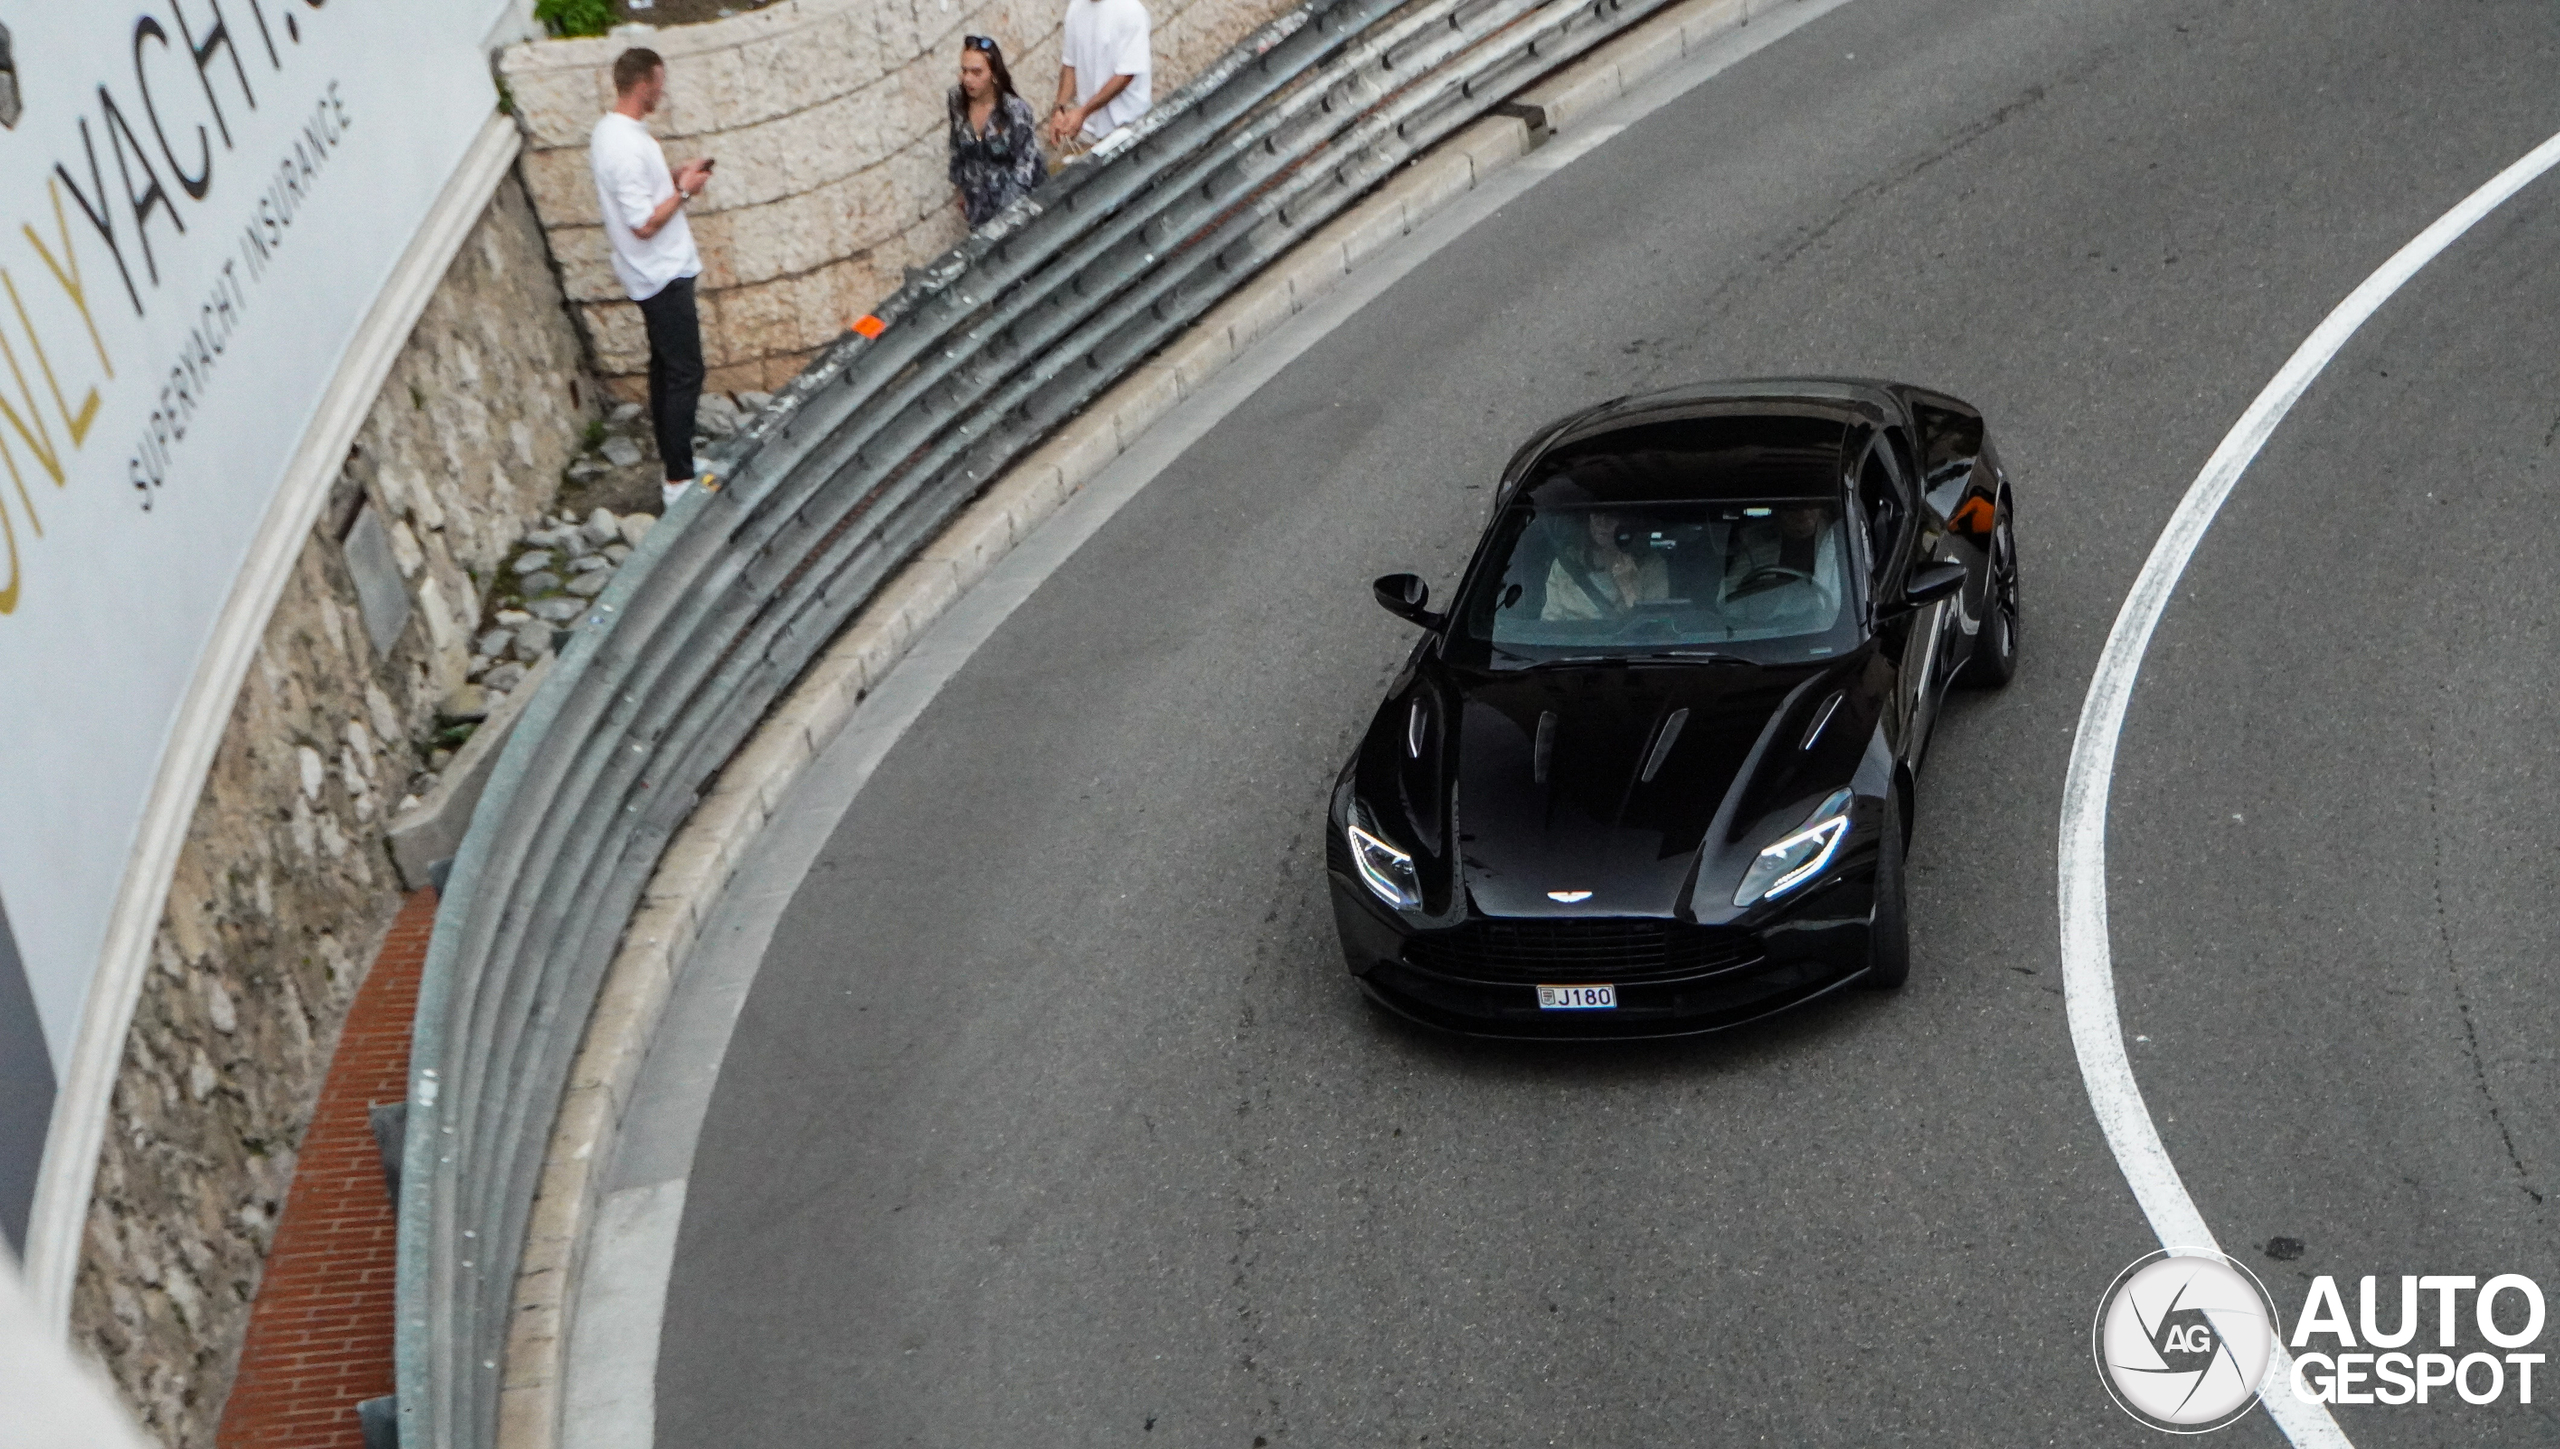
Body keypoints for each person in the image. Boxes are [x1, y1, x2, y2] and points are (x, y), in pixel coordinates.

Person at [590, 47, 714, 511]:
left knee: (666, 371)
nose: (663, 90)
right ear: (644, 84)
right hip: (659, 273)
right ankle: (679, 479)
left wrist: (672, 178)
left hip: (655, 271)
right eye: (660, 83)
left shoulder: (613, 133)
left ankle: (676, 464)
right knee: (685, 372)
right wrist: (684, 191)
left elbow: (642, 193)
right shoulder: (622, 146)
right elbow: (642, 222)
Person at [948, 36, 1043, 227]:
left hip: (1015, 211)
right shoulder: (956, 100)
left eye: (976, 72)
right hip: (978, 210)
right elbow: (956, 146)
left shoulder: (1014, 111)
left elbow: (1025, 166)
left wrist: (1004, 217)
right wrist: (959, 188)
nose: (967, 79)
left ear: (993, 74)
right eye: (964, 71)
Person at [1045, 0, 1152, 165]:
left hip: (1130, 129)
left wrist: (1083, 112)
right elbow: (1069, 65)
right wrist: (1059, 109)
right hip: (1092, 134)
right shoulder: (1076, 7)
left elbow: (1125, 76)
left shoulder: (1130, 10)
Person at [1542, 510, 1669, 620]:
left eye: (1612, 514)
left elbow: (1654, 627)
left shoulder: (1651, 566)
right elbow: (1550, 623)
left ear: (1628, 520)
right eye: (1596, 514)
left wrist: (1627, 585)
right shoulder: (1567, 564)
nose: (1602, 522)